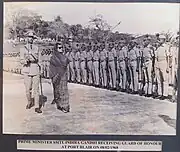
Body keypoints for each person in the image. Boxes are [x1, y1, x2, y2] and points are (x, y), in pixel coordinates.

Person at [20, 31, 43, 113]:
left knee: (36, 90)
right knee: (27, 89)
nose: (30, 39)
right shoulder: (23, 48)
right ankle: (29, 102)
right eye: (29, 37)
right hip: (26, 69)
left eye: (32, 37)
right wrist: (25, 61)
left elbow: (40, 60)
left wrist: (41, 69)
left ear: (33, 39)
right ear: (27, 38)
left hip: (35, 69)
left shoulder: (37, 48)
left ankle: (37, 106)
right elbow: (21, 60)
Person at [49, 42, 70, 113]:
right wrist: (52, 76)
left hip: (63, 75)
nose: (61, 49)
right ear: (56, 49)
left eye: (62, 47)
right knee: (58, 91)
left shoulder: (64, 57)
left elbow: (66, 64)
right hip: (56, 75)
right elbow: (51, 68)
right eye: (59, 48)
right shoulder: (53, 57)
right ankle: (60, 104)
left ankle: (65, 106)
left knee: (64, 90)